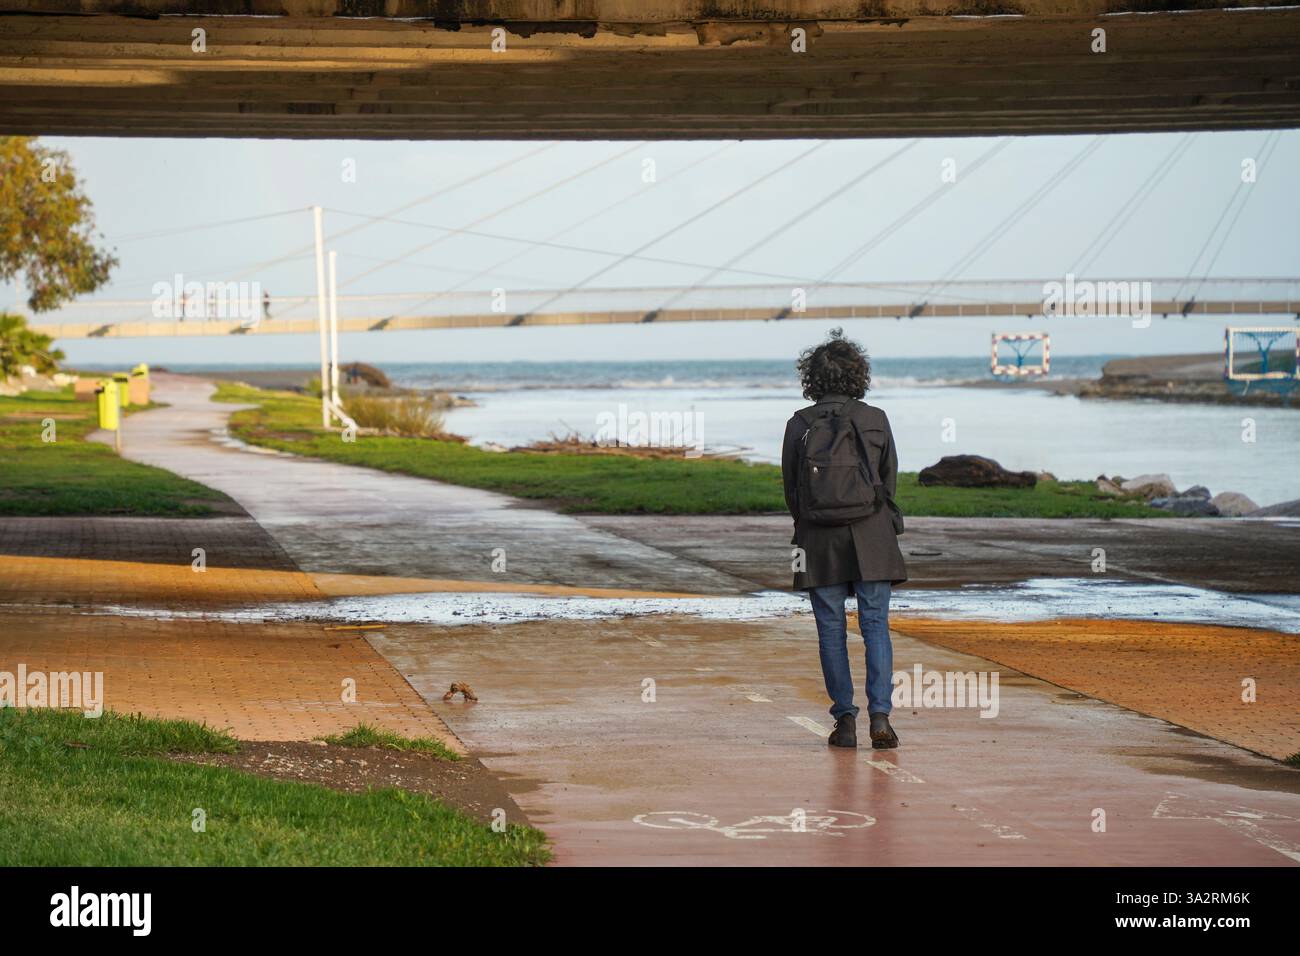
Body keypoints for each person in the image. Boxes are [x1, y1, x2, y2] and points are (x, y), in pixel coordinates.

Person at [781, 329, 907, 750]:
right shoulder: (876, 419)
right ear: (859, 376)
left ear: (811, 378)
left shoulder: (799, 424)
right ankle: (881, 715)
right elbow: (888, 483)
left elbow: (792, 494)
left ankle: (845, 720)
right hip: (873, 536)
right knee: (876, 626)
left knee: (830, 631)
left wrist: (813, 522)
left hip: (816, 542)